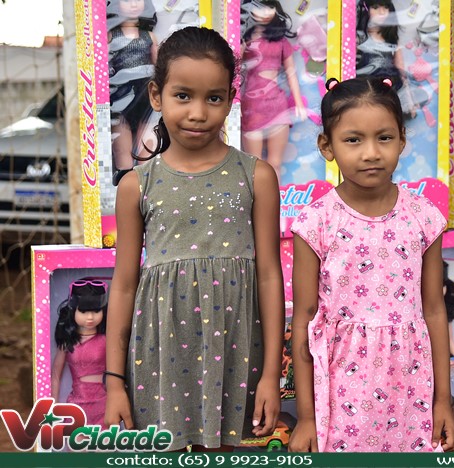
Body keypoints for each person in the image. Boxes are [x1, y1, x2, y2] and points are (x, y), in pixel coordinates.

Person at [104, 26, 285, 452]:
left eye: (214, 98)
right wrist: (114, 383)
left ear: (231, 98)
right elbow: (125, 285)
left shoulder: (256, 177)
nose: (198, 113)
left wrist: (271, 375)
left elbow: (269, 276)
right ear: (156, 95)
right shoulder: (136, 185)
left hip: (239, 357)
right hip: (161, 361)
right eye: (183, 96)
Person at [288, 77, 454, 452]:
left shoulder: (424, 217)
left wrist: (442, 400)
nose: (371, 153)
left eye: (384, 138)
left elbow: (434, 310)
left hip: (411, 384)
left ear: (402, 140)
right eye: (353, 140)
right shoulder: (316, 223)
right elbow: (305, 320)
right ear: (327, 146)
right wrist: (307, 417)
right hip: (342, 384)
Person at [240, 0, 307, 181]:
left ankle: (275, 198)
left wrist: (299, 103)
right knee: (253, 165)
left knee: (274, 163)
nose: (265, 12)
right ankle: (255, 198)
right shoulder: (246, 40)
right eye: (259, 7)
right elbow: (235, 69)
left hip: (277, 106)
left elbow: (291, 73)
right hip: (252, 107)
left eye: (269, 7)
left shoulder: (281, 41)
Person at [108, 0, 159, 186]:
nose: (133, 4)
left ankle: (148, 187)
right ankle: (125, 189)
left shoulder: (149, 36)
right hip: (121, 98)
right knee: (123, 154)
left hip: (147, 98)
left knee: (147, 153)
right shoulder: (110, 36)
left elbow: (159, 67)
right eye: (127, 0)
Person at [51, 279, 109, 428]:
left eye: (96, 311)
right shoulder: (68, 343)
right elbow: (56, 375)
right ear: (73, 310)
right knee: (76, 441)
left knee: (104, 442)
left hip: (104, 404)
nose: (90, 317)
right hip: (77, 406)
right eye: (83, 311)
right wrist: (53, 405)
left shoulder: (107, 340)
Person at [355, 0, 417, 117]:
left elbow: (400, 68)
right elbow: (349, 66)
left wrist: (409, 98)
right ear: (366, 10)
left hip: (392, 86)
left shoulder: (392, 39)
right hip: (367, 88)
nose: (382, 12)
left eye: (386, 7)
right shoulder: (359, 39)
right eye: (375, 7)